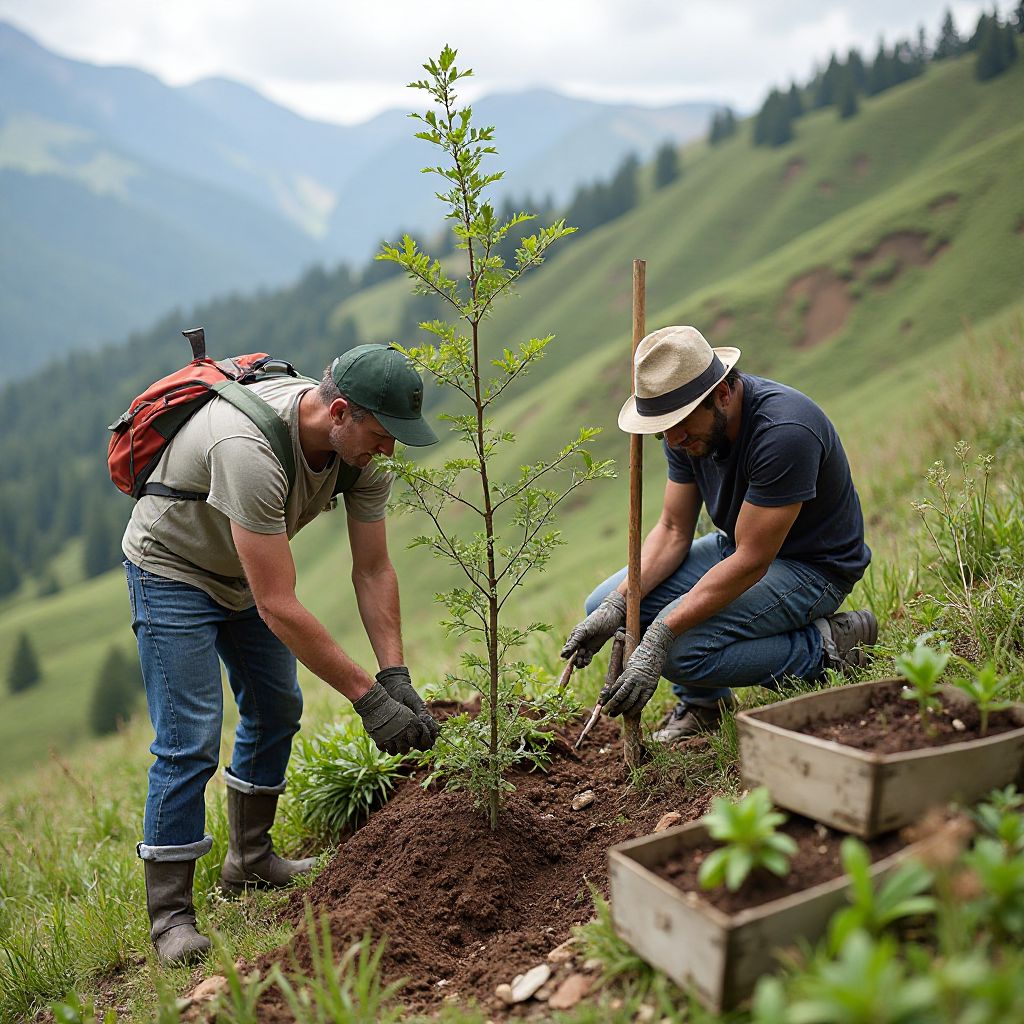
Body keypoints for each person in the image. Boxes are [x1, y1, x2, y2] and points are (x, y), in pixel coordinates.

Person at [121, 343, 441, 965]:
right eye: (381, 436)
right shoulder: (248, 449)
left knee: (276, 705)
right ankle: (170, 918)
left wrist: (394, 675)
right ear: (340, 412)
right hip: (171, 569)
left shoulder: (363, 455)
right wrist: (368, 700)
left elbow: (373, 570)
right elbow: (278, 602)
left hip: (240, 571)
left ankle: (249, 860)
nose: (388, 452)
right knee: (189, 737)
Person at [561, 325, 875, 743]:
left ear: (723, 394)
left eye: (681, 425)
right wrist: (619, 606)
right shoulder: (685, 430)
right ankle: (706, 707)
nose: (672, 440)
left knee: (679, 651)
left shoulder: (784, 432)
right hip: (738, 549)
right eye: (663, 429)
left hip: (810, 568)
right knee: (602, 601)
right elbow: (673, 529)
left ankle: (827, 647)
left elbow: (751, 561)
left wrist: (659, 634)